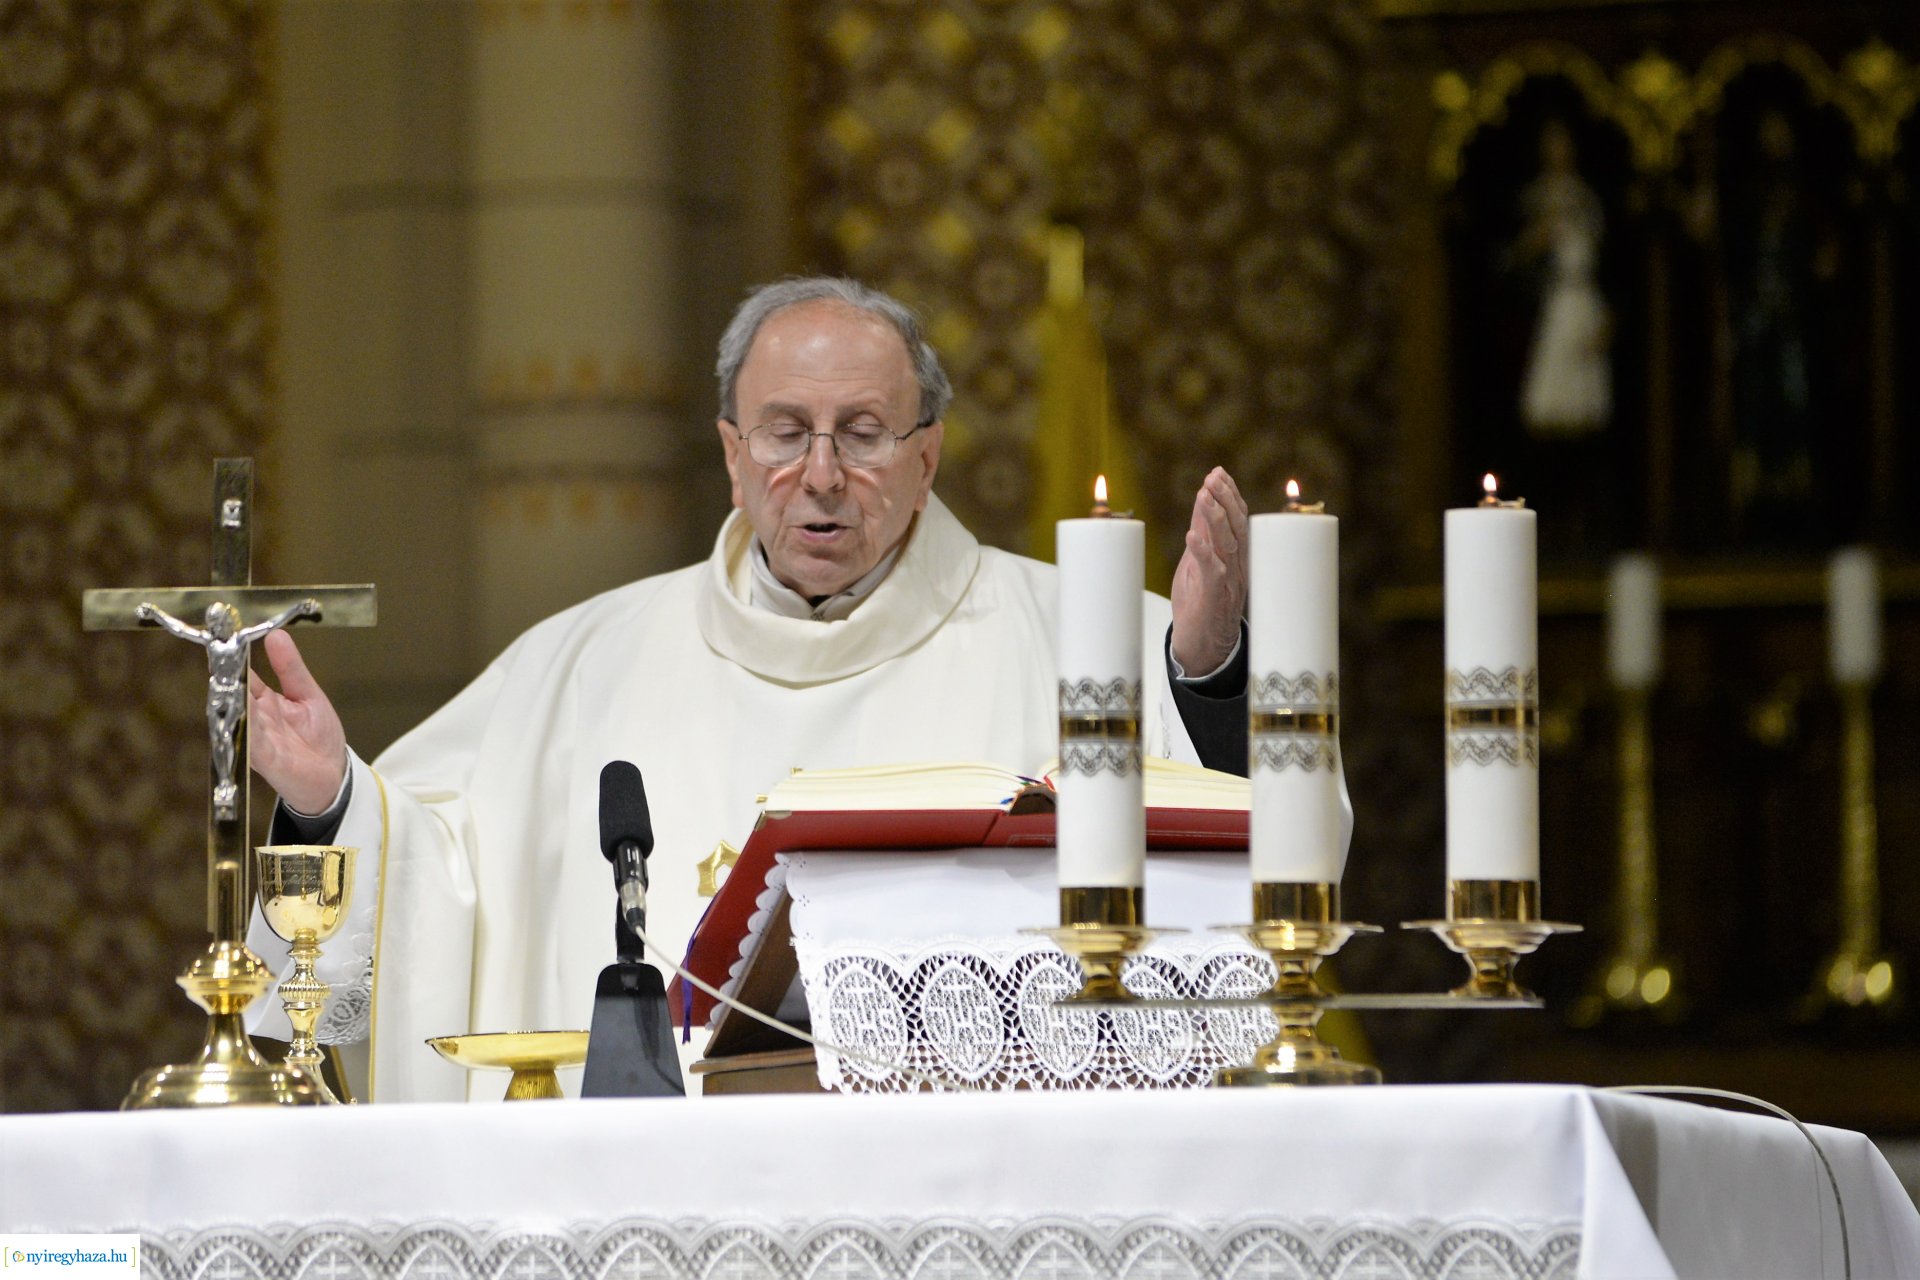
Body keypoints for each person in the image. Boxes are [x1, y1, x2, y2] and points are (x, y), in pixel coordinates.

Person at [244, 277, 1256, 1101]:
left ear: (927, 457)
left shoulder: (1081, 632)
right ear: (733, 456)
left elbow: (1233, 854)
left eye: (863, 432)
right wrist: (332, 798)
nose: (820, 474)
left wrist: (1205, 678)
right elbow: (435, 858)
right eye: (783, 431)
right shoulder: (583, 661)